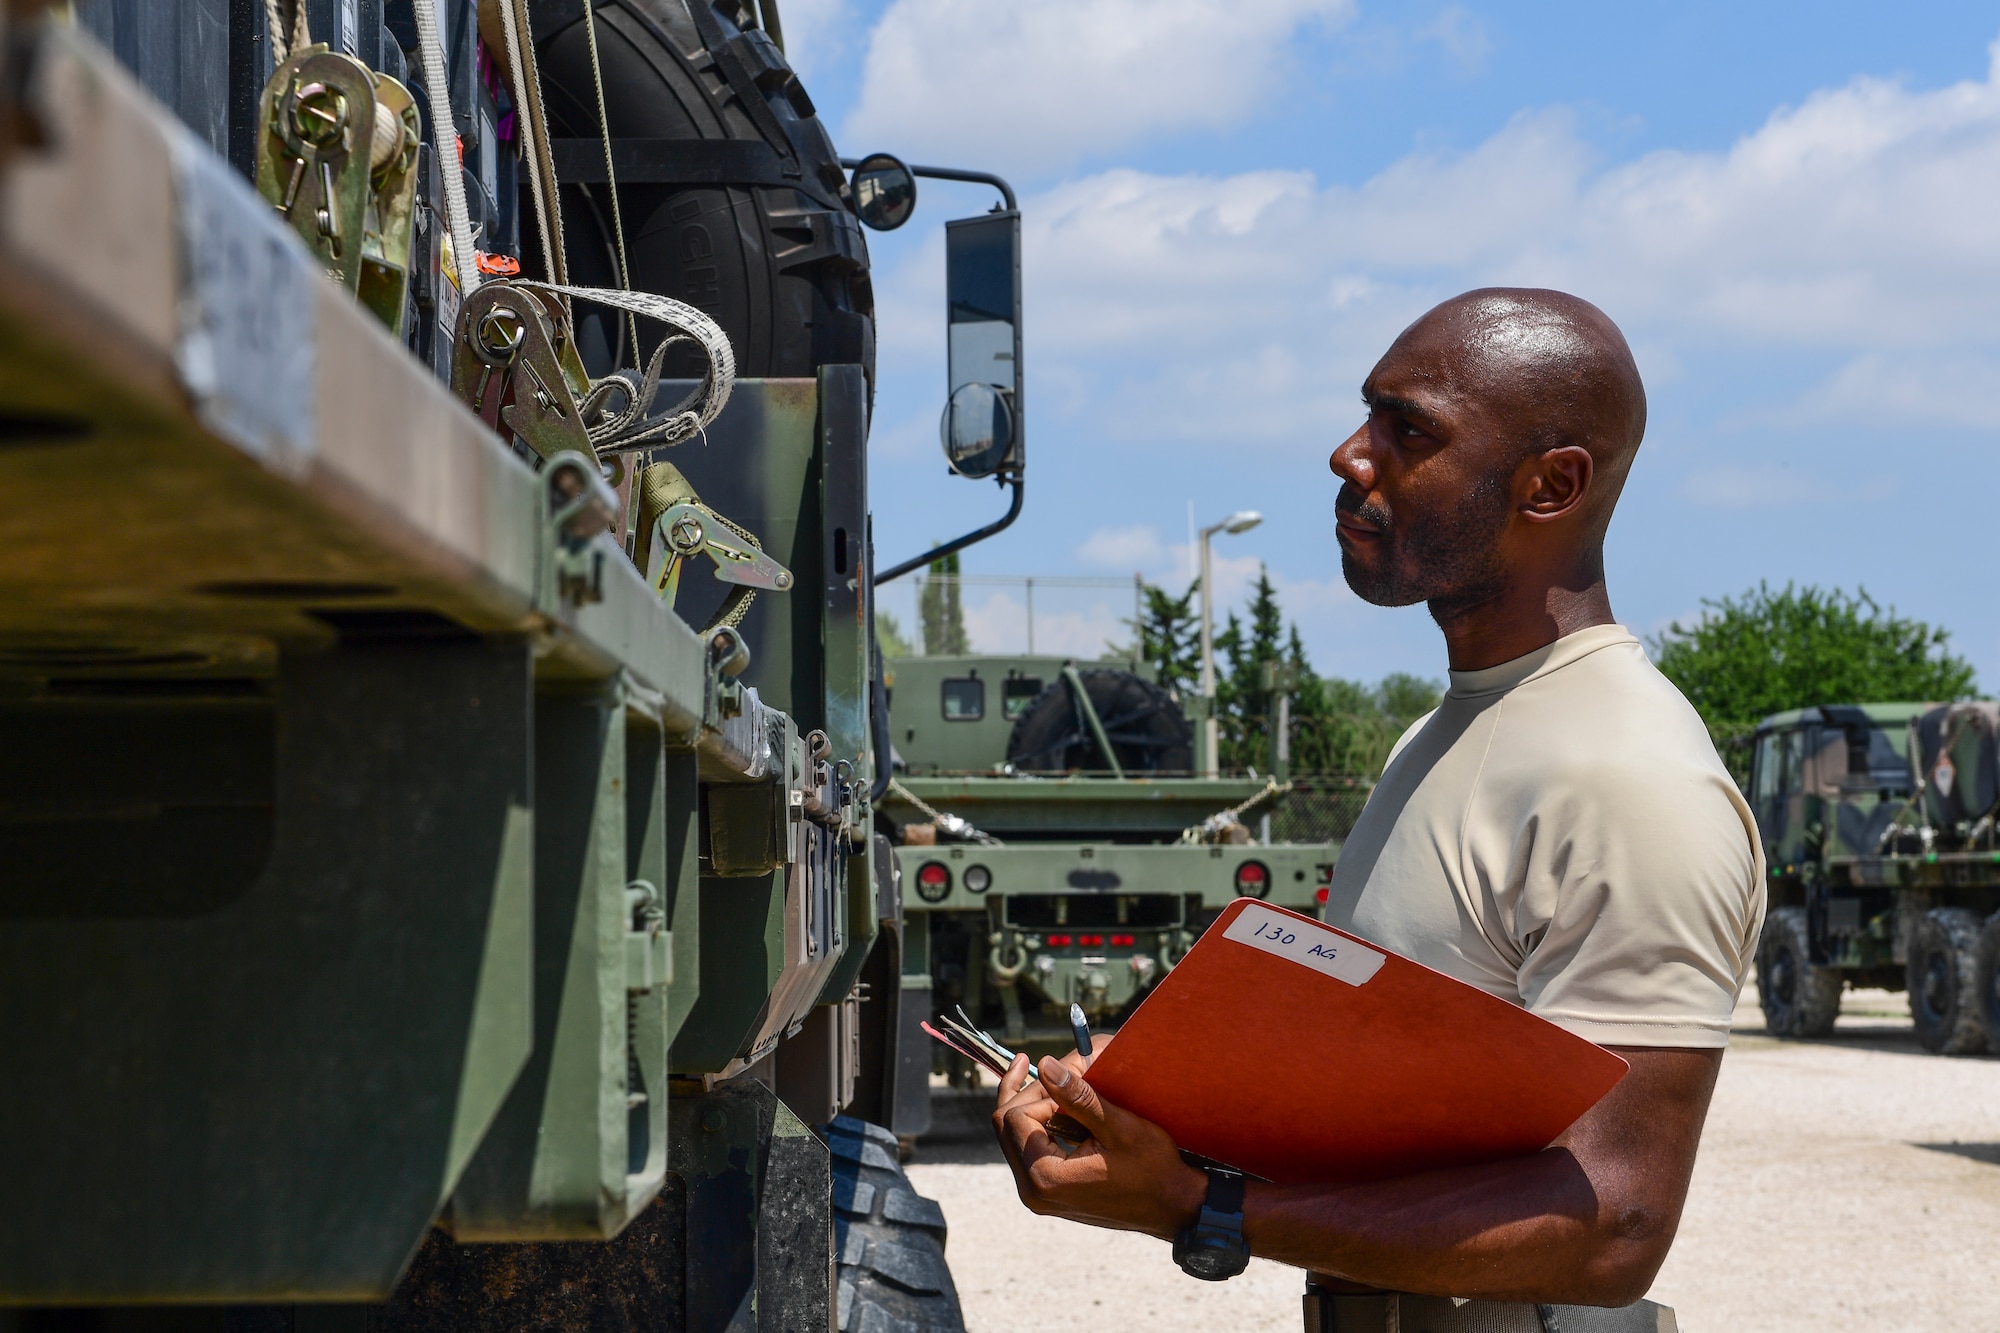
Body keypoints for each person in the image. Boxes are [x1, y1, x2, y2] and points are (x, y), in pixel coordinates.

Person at [990, 289, 1764, 1333]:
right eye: (1368, 417)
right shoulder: (1443, 733)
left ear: (1550, 485)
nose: (1348, 456)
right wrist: (1142, 1119)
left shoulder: (1625, 777)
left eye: (1408, 431)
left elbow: (1613, 1220)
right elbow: (1402, 1116)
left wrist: (1194, 1204)